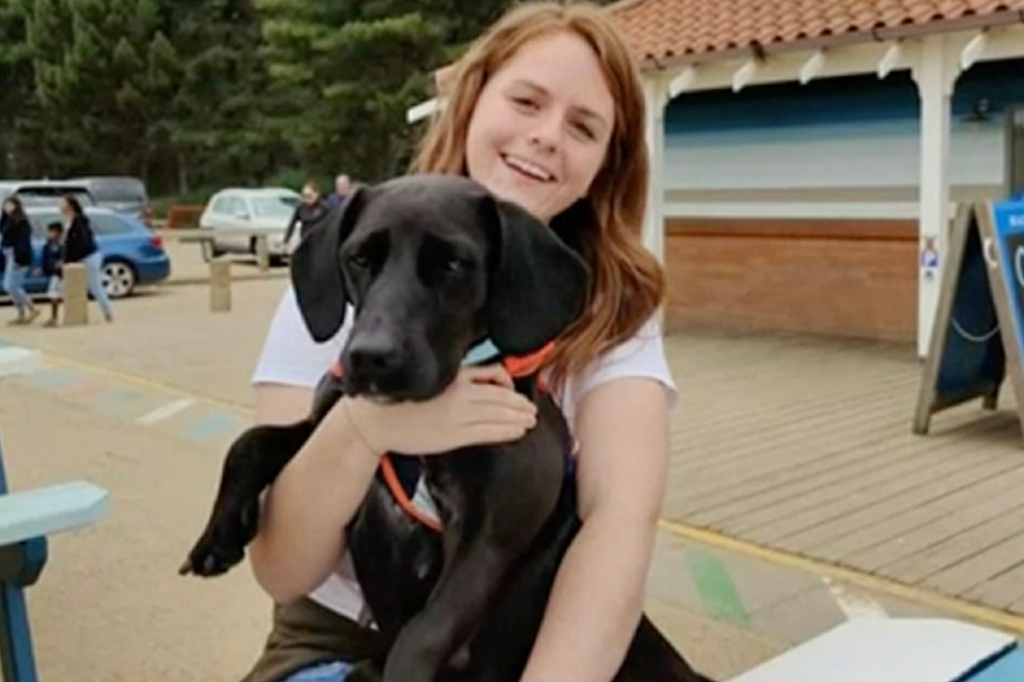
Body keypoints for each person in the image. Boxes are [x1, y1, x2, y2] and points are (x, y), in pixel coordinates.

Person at [241, 3, 676, 682]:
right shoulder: (349, 265)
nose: (546, 136)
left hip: (527, 643)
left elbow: (617, 529)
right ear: (471, 101)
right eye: (526, 100)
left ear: (606, 164)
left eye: (583, 127)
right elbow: (281, 568)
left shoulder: (613, 311)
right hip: (343, 641)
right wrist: (368, 424)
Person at [60, 194, 113, 323]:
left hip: (89, 256)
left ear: (70, 206)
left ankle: (107, 312)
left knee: (94, 286)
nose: (60, 206)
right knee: (70, 287)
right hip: (78, 258)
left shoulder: (80, 221)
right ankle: (76, 314)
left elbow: (81, 242)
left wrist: (70, 259)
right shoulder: (68, 221)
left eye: (62, 203)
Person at [1, 196, 40, 325]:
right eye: (5, 205)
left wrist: (19, 257)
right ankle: (21, 312)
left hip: (17, 255)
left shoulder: (21, 221)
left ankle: (31, 307)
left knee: (11, 285)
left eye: (10, 205)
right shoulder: (8, 220)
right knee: (12, 286)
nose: (7, 207)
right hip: (9, 254)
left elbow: (23, 241)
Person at [284, 180, 330, 252]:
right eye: (304, 196)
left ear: (316, 194)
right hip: (305, 242)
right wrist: (286, 240)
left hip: (320, 242)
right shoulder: (301, 208)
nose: (307, 199)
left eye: (309, 196)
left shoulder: (325, 208)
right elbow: (292, 224)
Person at [35, 221, 65, 327]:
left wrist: (63, 262)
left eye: (52, 232)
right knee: (53, 295)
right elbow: (45, 260)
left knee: (57, 295)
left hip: (62, 274)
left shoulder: (64, 246)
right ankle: (54, 318)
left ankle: (55, 318)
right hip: (54, 274)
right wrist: (42, 269)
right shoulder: (47, 246)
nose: (50, 234)